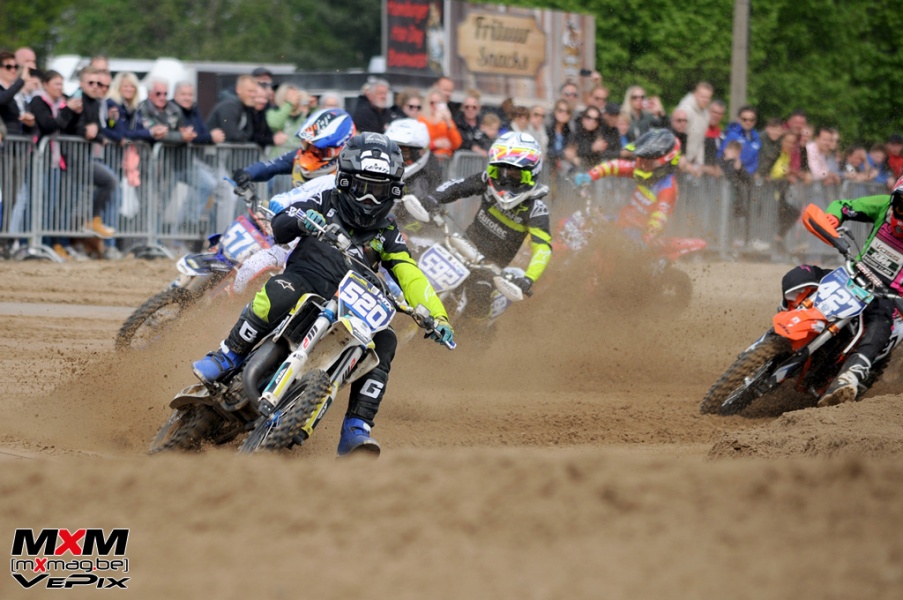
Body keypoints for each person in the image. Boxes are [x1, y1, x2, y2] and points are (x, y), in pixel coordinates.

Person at [192, 133, 454, 456]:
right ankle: (227, 354)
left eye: (379, 191)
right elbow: (281, 226)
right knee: (279, 292)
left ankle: (357, 428)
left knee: (386, 340)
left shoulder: (387, 232)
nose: (369, 199)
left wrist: (437, 315)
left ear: (393, 192)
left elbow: (410, 274)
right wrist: (303, 221)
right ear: (345, 181)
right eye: (362, 187)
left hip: (350, 306)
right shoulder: (326, 200)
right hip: (304, 280)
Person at [782, 176, 903, 406]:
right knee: (801, 275)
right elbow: (844, 205)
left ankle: (849, 377)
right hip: (854, 276)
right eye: (902, 206)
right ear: (894, 200)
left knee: (880, 327)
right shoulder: (883, 205)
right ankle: (782, 327)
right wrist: (833, 217)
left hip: (889, 299)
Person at [423, 131, 552, 321]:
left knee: (478, 304)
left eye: (515, 173)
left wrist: (528, 278)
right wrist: (434, 198)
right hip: (460, 247)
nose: (505, 179)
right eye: (500, 171)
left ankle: (472, 337)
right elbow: (459, 186)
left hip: (490, 268)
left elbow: (543, 249)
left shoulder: (536, 210)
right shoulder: (487, 181)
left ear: (531, 173)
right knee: (420, 268)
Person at [574, 128, 681, 244]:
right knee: (580, 223)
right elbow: (615, 166)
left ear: (666, 164)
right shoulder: (641, 169)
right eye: (641, 159)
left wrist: (647, 238)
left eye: (649, 162)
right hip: (620, 222)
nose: (642, 165)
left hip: (638, 236)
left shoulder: (667, 189)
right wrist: (589, 176)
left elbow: (659, 219)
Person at [231, 108, 354, 191]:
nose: (311, 153)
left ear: (338, 150)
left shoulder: (353, 169)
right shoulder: (300, 155)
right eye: (308, 145)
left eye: (319, 150)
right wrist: (248, 173)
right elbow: (272, 165)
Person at [720, 106, 762, 246]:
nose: (748, 122)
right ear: (739, 119)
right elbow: (724, 156)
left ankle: (746, 242)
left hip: (748, 180)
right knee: (731, 212)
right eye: (745, 119)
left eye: (751, 119)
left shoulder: (756, 137)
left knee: (748, 212)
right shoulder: (732, 135)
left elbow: (756, 160)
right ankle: (727, 244)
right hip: (734, 179)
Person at [676, 81, 714, 168]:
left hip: (691, 161)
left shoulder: (706, 115)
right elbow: (677, 135)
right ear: (695, 94)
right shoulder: (685, 110)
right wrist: (681, 156)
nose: (705, 100)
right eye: (703, 97)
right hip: (677, 158)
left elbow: (700, 140)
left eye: (708, 98)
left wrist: (700, 163)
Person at [418, 87, 461, 161]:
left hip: (444, 161)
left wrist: (449, 123)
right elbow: (421, 144)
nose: (435, 106)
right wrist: (436, 144)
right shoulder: (421, 119)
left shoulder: (446, 120)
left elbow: (457, 144)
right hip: (426, 160)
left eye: (438, 103)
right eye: (432, 103)